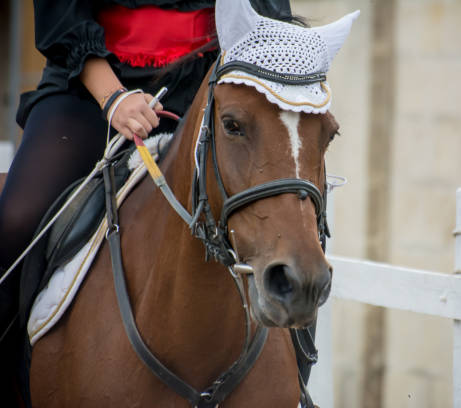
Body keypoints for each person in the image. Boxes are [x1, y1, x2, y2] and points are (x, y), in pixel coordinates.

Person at [0, 0, 292, 403]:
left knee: (287, 215)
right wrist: (114, 97)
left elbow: (269, 23)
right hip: (92, 84)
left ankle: (295, 377)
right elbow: (61, 16)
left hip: (210, 86)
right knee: (16, 218)